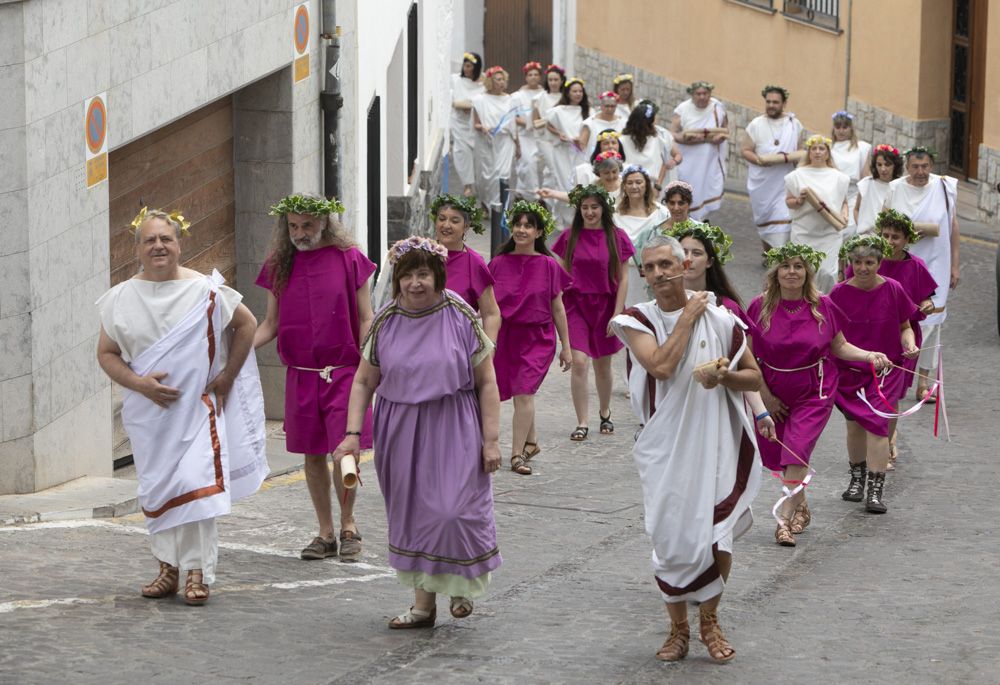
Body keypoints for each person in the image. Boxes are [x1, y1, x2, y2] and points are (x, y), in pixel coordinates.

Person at [96, 208, 267, 606]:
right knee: (159, 488)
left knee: (196, 486)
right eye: (150, 240)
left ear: (179, 244)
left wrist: (226, 378)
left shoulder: (204, 291)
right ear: (137, 249)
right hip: (149, 419)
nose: (158, 246)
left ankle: (197, 572)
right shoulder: (119, 299)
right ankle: (167, 568)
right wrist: (138, 383)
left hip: (196, 412)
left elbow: (247, 324)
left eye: (165, 239)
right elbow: (106, 354)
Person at [333, 236, 502, 628]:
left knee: (453, 511)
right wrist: (353, 434)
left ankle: (461, 582)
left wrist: (491, 439)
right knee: (413, 515)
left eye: (423, 274)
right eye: (407, 275)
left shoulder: (459, 313)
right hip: (401, 427)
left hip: (454, 422)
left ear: (437, 275)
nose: (415, 283)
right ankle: (423, 607)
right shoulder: (386, 321)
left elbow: (487, 381)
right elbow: (363, 382)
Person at [610, 234, 763, 664]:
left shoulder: (721, 320)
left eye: (666, 264)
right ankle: (677, 628)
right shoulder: (635, 319)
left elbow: (754, 378)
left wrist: (723, 377)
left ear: (685, 266)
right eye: (650, 267)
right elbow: (660, 365)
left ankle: (710, 620)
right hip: (665, 447)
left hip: (716, 441)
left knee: (718, 534)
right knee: (671, 537)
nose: (658, 273)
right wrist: (686, 318)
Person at [254, 194, 375, 562]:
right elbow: (271, 324)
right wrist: (238, 348)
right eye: (293, 226)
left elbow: (366, 317)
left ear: (324, 223)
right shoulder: (280, 265)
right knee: (312, 455)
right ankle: (325, 532)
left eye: (307, 225)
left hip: (343, 371)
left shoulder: (349, 258)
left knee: (344, 452)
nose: (300, 233)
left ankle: (349, 523)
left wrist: (371, 361)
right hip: (302, 375)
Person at [746, 243, 889, 546]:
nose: (792, 272)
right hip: (773, 390)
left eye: (798, 266)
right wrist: (765, 397)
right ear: (775, 273)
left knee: (797, 448)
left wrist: (869, 356)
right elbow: (746, 355)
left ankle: (782, 519)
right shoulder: (760, 307)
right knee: (785, 457)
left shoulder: (822, 305)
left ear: (807, 272)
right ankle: (801, 505)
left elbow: (839, 346)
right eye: (786, 266)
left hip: (816, 390)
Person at [830, 234, 920, 514]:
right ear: (850, 263)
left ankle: (875, 489)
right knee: (855, 425)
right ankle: (856, 480)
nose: (863, 268)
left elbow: (905, 325)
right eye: (858, 262)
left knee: (878, 424)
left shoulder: (893, 289)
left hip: (886, 371)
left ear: (879, 263)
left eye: (869, 262)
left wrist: (909, 342)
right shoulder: (838, 293)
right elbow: (833, 337)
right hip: (850, 370)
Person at [844, 210, 935, 469]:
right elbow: (846, 290)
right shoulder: (867, 261)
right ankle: (872, 444)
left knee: (891, 395)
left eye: (896, 236)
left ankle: (887, 440)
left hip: (901, 333)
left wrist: (926, 305)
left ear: (907, 239)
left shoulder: (915, 265)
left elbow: (927, 297)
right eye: (885, 235)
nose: (890, 240)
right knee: (865, 392)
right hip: (864, 333)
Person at [489, 201, 573, 475]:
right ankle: (532, 441)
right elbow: (487, 306)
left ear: (539, 232)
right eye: (518, 224)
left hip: (537, 337)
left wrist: (566, 347)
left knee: (523, 392)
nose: (521, 229)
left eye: (528, 225)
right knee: (519, 392)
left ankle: (516, 455)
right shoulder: (498, 264)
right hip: (506, 336)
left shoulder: (549, 265)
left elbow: (558, 307)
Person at [552, 184, 634, 441]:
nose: (589, 212)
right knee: (579, 362)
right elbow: (561, 275)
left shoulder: (616, 236)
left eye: (594, 207)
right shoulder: (569, 237)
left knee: (603, 364)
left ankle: (605, 411)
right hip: (576, 305)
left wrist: (617, 313)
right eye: (584, 207)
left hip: (605, 306)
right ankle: (582, 421)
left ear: (603, 209)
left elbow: (624, 279)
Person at [883, 147, 960, 401]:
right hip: (901, 263)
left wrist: (955, 265)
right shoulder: (895, 189)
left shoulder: (944, 187)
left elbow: (952, 226)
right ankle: (894, 373)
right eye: (915, 167)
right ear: (907, 167)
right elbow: (883, 226)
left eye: (925, 166)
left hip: (937, 261)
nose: (920, 172)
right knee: (898, 318)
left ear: (931, 165)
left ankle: (924, 382)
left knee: (931, 323)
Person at [429, 194, 502, 341]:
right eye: (442, 219)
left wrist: (488, 352)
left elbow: (491, 313)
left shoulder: (474, 263)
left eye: (454, 221)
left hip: (458, 346)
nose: (446, 225)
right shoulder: (422, 255)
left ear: (466, 227)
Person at [741, 85, 804, 255]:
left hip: (784, 180)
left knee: (783, 218)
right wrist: (759, 161)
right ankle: (769, 252)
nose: (771, 105)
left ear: (784, 103)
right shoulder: (756, 124)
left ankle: (780, 255)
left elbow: (800, 151)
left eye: (775, 102)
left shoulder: (794, 124)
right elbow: (745, 150)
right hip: (762, 182)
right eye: (768, 101)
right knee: (765, 220)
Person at [784, 134, 850, 293]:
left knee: (827, 272)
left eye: (822, 148)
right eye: (814, 148)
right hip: (804, 232)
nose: (818, 152)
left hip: (829, 234)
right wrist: (798, 201)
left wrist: (845, 215)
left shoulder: (838, 177)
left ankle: (825, 303)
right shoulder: (797, 175)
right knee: (806, 271)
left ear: (828, 153)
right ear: (809, 152)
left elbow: (844, 202)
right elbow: (788, 201)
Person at [664, 221, 744, 324]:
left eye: (696, 253)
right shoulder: (664, 302)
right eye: (684, 252)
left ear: (709, 262)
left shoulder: (727, 306)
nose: (688, 259)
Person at [672, 81, 728, 219]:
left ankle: (700, 225)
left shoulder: (717, 107)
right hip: (688, 161)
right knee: (687, 192)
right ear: (692, 95)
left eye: (705, 93)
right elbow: (672, 133)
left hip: (709, 162)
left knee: (705, 190)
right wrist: (686, 139)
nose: (702, 97)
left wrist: (720, 137)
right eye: (698, 94)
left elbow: (726, 129)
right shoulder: (683, 109)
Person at [617, 165, 669, 307]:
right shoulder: (614, 215)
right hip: (624, 274)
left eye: (639, 182)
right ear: (624, 187)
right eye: (630, 183)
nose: (634, 186)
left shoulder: (661, 212)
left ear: (646, 185)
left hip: (654, 273)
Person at [472, 66, 518, 209]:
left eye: (503, 79)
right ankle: (486, 203)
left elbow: (513, 125)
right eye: (498, 79)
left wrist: (518, 145)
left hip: (505, 142)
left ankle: (500, 207)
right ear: (491, 81)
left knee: (503, 174)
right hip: (487, 142)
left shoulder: (510, 100)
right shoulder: (480, 100)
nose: (502, 82)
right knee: (486, 177)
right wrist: (483, 128)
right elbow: (476, 123)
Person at [620, 100, 681, 194]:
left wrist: (657, 187)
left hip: (652, 187)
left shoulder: (658, 138)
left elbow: (663, 164)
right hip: (630, 187)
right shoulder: (622, 140)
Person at [829, 111, 872, 236]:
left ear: (851, 128)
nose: (841, 131)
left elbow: (866, 175)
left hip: (854, 193)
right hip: (834, 193)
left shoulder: (862, 148)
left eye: (844, 127)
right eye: (838, 127)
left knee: (851, 228)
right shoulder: (828, 148)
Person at [545, 77, 590, 192]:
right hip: (562, 152)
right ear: (568, 93)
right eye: (574, 91)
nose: (578, 94)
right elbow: (548, 124)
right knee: (564, 184)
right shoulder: (558, 110)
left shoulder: (587, 111)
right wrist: (559, 133)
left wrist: (580, 140)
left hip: (580, 152)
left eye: (580, 91)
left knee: (579, 183)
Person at [538, 149, 623, 210]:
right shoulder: (593, 186)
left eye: (614, 171)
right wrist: (552, 193)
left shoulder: (625, 184)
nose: (611, 176)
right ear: (598, 173)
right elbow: (576, 197)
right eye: (606, 173)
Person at [450, 52, 485, 197]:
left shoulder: (482, 84)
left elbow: (483, 101)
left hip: (475, 125)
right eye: (465, 65)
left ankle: (480, 186)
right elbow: (450, 98)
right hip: (460, 124)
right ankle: (467, 185)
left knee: (478, 158)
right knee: (462, 154)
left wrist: (469, 105)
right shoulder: (455, 80)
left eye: (469, 66)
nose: (466, 68)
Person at [512, 61, 545, 194]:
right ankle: (533, 195)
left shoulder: (544, 94)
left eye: (536, 74)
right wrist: (528, 123)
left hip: (540, 135)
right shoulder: (517, 96)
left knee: (539, 166)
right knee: (527, 164)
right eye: (530, 74)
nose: (533, 77)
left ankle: (525, 192)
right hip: (524, 136)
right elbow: (512, 116)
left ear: (540, 77)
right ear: (526, 77)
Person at [854, 144, 903, 235]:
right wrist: (860, 226)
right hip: (865, 237)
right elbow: (856, 209)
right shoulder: (866, 183)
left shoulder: (900, 186)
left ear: (895, 165)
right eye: (879, 165)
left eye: (887, 164)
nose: (883, 169)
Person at [532, 64, 567, 190]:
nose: (553, 83)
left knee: (559, 169)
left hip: (563, 139)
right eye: (550, 80)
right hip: (546, 139)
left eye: (556, 80)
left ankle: (551, 197)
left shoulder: (565, 97)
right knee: (553, 168)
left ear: (562, 80)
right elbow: (535, 122)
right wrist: (546, 122)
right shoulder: (539, 98)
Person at [581, 91, 627, 156]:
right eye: (607, 106)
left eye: (612, 106)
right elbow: (582, 145)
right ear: (601, 106)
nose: (609, 109)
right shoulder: (590, 123)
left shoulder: (623, 122)